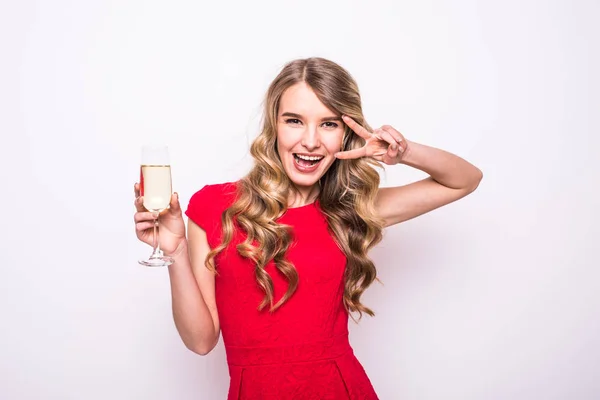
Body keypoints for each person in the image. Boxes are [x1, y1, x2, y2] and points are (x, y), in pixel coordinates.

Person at [133, 57, 482, 399]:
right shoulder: (214, 207)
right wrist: (174, 251)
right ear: (274, 125)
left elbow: (463, 180)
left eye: (329, 124)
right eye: (295, 121)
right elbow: (200, 341)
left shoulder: (351, 209)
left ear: (346, 134)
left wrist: (400, 152)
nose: (311, 141)